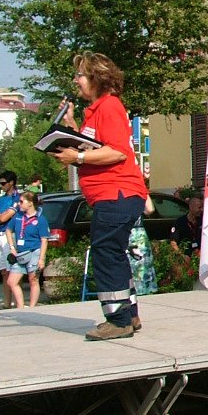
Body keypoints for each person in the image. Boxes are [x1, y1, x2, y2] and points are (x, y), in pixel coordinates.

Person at [52, 53, 149, 340]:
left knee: (106, 252)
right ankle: (128, 314)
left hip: (117, 193)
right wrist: (70, 127)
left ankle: (118, 320)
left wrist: (77, 156)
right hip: (112, 195)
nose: (76, 81)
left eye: (80, 75)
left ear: (96, 77)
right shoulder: (95, 111)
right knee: (113, 252)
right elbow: (94, 146)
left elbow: (117, 151)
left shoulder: (110, 107)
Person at [4, 191, 49, 310]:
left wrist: (41, 259)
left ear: (30, 203)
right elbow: (8, 230)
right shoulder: (18, 216)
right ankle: (20, 307)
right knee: (11, 281)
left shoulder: (40, 219)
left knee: (33, 279)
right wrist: (12, 247)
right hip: (20, 252)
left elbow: (44, 240)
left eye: (21, 201)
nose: (19, 204)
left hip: (34, 251)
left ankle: (32, 307)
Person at [0, 171, 21, 309]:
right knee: (3, 271)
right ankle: (6, 302)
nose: (1, 186)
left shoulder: (17, 198)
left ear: (11, 183)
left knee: (11, 269)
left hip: (10, 235)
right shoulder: (1, 199)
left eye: (3, 183)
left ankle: (17, 301)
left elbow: (3, 218)